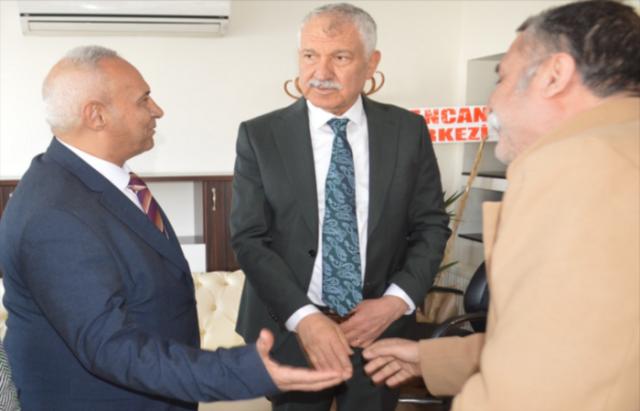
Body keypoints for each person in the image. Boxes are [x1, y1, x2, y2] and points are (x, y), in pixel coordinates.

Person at [0, 45, 344, 411]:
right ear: (96, 115)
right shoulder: (55, 214)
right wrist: (244, 372)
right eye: (143, 99)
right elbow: (111, 347)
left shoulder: (97, 182)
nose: (157, 110)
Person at [363, 1, 640, 410]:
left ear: (554, 75)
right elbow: (575, 340)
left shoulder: (577, 165)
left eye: (502, 77)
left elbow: (552, 382)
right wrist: (432, 358)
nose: (492, 100)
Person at [230, 3, 451, 411]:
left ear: (372, 63)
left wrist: (395, 302)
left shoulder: (407, 131)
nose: (321, 72)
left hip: (379, 330)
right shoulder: (260, 136)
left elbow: (431, 226)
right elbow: (249, 239)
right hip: (290, 329)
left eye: (341, 57)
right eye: (309, 55)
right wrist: (304, 317)